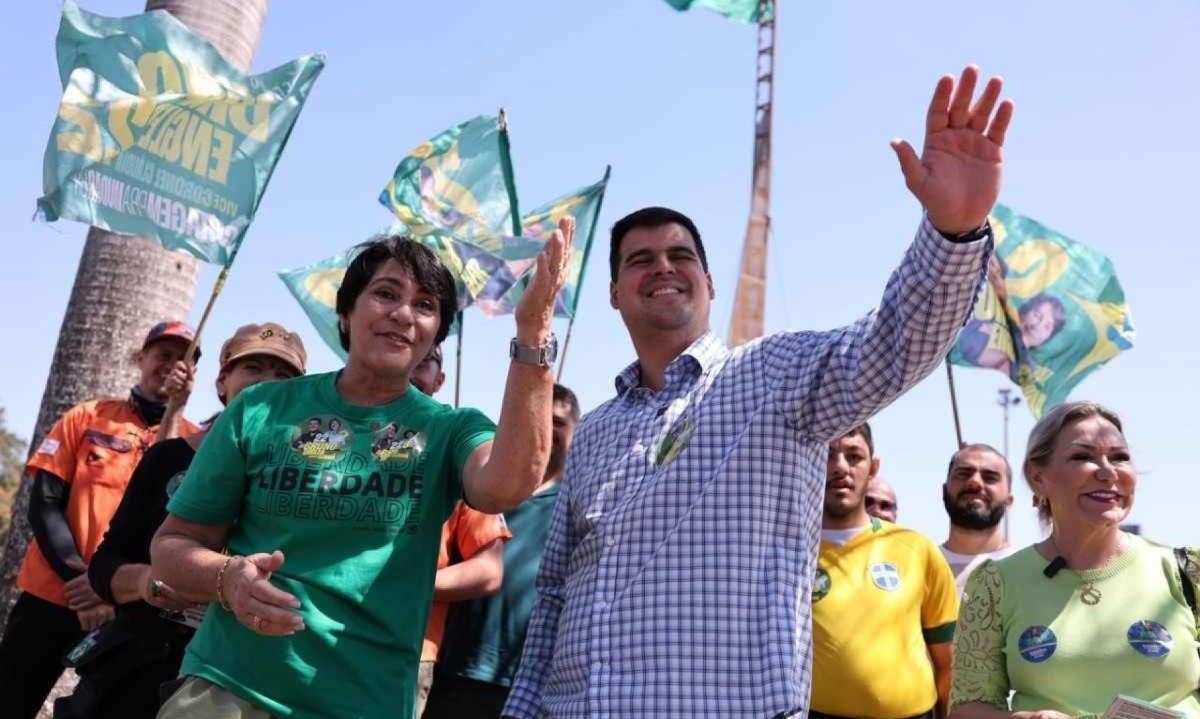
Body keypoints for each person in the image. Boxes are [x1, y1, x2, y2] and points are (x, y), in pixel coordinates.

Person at [504, 65, 1013, 718]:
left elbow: (895, 344)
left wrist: (954, 233)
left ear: (709, 287)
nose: (662, 265)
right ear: (613, 295)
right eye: (640, 259)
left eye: (681, 255)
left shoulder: (775, 378)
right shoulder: (595, 430)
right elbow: (552, 594)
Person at [150, 222, 572, 719]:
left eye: (425, 306)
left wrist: (534, 331)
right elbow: (170, 548)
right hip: (229, 689)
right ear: (345, 314)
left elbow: (507, 486)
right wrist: (227, 577)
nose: (402, 315)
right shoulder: (261, 409)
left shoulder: (450, 429)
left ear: (436, 334)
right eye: (385, 294)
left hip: (368, 702)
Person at [50, 322, 308, 719]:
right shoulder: (168, 458)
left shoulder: (306, 482)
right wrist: (146, 582)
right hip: (135, 667)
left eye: (284, 376)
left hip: (233, 681)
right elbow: (107, 564)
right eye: (253, 369)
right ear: (223, 381)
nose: (267, 385)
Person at [0, 321, 201, 719]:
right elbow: (45, 503)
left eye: (185, 358)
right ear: (140, 358)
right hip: (56, 594)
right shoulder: (88, 416)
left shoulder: (194, 443)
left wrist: (110, 589)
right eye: (163, 355)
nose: (172, 365)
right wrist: (85, 580)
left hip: (128, 609)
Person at [950, 401, 1200, 718]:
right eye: (1082, 457)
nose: (1108, 472)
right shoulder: (994, 584)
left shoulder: (1188, 572)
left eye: (1120, 457)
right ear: (1037, 477)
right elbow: (969, 709)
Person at [425, 384, 581, 719]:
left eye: (557, 422)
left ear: (576, 433)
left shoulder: (578, 507)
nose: (545, 428)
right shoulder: (478, 489)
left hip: (527, 681)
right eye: (537, 416)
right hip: (453, 672)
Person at [811, 424, 958, 719]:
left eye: (854, 456)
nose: (840, 468)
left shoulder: (916, 548)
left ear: (873, 467)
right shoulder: (788, 553)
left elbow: (948, 663)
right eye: (826, 455)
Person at [409, 343, 512, 717]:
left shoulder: (459, 450)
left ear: (440, 379)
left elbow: (488, 570)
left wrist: (405, 584)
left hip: (406, 652)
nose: (412, 368)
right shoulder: (335, 434)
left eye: (425, 362)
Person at [939, 443, 1015, 593]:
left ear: (1009, 501)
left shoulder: (1030, 570)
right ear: (944, 491)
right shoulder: (918, 567)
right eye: (963, 474)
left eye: (989, 477)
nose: (975, 482)